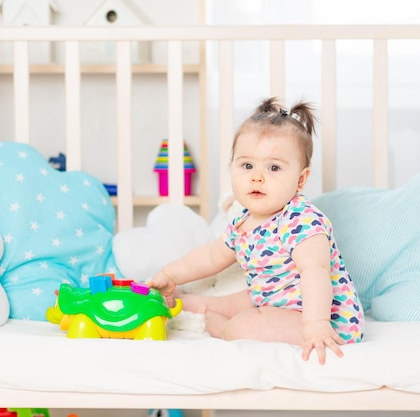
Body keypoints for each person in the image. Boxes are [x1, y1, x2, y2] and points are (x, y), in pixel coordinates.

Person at [149, 97, 364, 364]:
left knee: (245, 326)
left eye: (273, 167)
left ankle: (221, 328)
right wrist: (171, 274)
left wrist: (317, 326)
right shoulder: (242, 222)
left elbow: (316, 273)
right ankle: (193, 303)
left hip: (320, 318)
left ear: (300, 180)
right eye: (247, 165)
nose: (257, 177)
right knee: (236, 302)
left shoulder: (302, 220)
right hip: (270, 299)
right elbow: (209, 257)